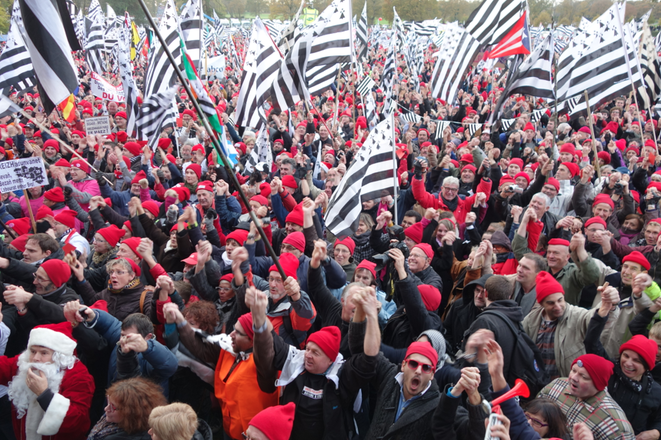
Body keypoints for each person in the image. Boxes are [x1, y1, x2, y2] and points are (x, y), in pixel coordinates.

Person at [250, 284, 379, 440]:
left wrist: (371, 316)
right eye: (308, 349)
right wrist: (259, 317)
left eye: (315, 353)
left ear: (331, 359)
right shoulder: (297, 360)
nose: (308, 355)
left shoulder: (341, 376)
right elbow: (273, 341)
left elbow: (368, 361)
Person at [161, 303, 279, 440]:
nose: (231, 335)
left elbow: (266, 348)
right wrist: (179, 320)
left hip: (253, 433)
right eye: (234, 329)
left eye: (239, 333)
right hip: (229, 427)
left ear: (252, 340)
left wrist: (260, 319)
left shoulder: (263, 365)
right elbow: (196, 346)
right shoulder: (227, 348)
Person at [0, 322, 95, 440]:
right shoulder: (26, 363)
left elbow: (77, 423)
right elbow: (3, 367)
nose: (36, 358)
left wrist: (45, 395)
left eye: (44, 353)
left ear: (59, 356)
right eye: (33, 351)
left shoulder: (79, 376)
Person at [523, 272, 621, 379]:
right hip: (538, 384)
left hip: (568, 386)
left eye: (560, 300)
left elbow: (594, 319)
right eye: (551, 303)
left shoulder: (577, 315)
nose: (558, 306)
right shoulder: (530, 320)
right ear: (541, 304)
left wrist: (608, 306)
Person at [537, 354, 635, 440]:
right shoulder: (555, 386)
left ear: (598, 385)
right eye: (573, 370)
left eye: (583, 377)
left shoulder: (615, 425)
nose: (573, 378)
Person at [88, 378, 167, 440]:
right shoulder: (115, 425)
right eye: (108, 403)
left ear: (130, 412)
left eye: (113, 407)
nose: (106, 409)